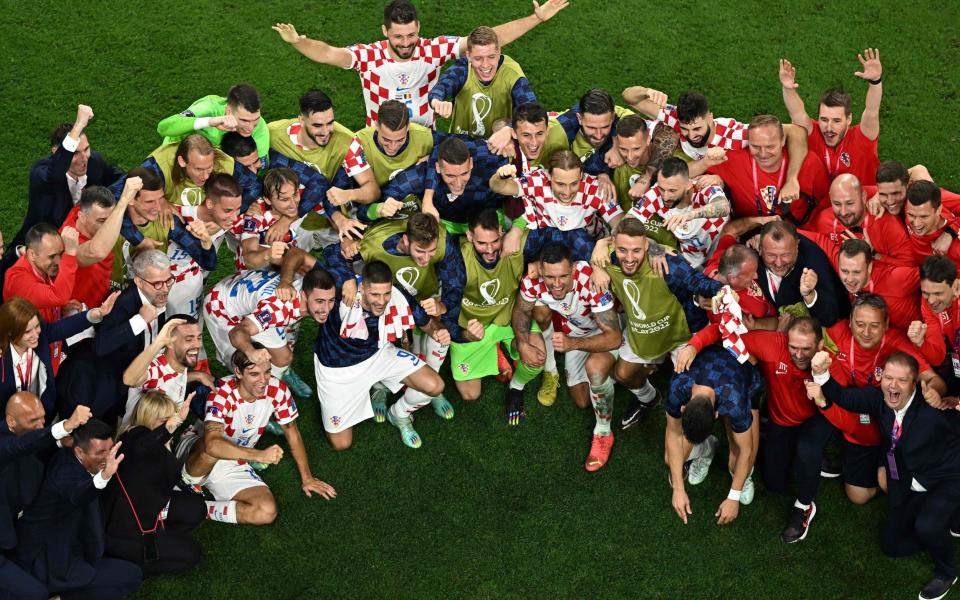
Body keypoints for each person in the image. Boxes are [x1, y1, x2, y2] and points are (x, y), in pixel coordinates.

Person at [272, 0, 568, 127]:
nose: (405, 42)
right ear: (385, 31)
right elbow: (328, 53)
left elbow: (486, 41)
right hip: (381, 136)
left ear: (418, 29)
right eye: (398, 36)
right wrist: (299, 42)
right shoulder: (369, 56)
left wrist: (536, 18)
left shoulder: (433, 49)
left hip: (426, 137)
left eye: (411, 34)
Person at [809, 351, 960, 600]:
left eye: (901, 380)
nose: (893, 385)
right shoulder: (881, 399)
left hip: (947, 478)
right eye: (888, 377)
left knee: (928, 526)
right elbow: (844, 397)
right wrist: (821, 372)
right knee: (892, 546)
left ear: (915, 384)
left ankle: (946, 572)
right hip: (911, 477)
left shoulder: (933, 414)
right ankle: (939, 528)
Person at [684, 316, 833, 544]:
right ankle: (792, 451)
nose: (799, 354)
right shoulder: (773, 344)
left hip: (817, 418)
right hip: (781, 421)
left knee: (807, 451)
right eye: (794, 347)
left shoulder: (831, 361)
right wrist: (693, 346)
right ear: (785, 340)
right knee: (775, 483)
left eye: (807, 348)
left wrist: (823, 386)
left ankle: (804, 506)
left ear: (820, 345)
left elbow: (845, 401)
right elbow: (724, 333)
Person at [315, 214, 457, 419]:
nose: (426, 259)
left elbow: (455, 282)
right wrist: (346, 276)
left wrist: (443, 314)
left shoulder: (440, 238)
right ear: (406, 241)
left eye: (431, 252)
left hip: (417, 302)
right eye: (420, 251)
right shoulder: (372, 249)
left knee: (420, 346)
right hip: (388, 307)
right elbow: (331, 252)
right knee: (381, 336)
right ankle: (380, 389)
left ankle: (403, 409)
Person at [178, 348, 336, 525]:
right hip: (197, 452)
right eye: (254, 374)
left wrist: (307, 478)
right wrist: (258, 455)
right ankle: (185, 484)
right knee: (212, 448)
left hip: (235, 460)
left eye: (267, 372)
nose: (263, 381)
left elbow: (293, 433)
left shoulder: (278, 391)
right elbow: (212, 446)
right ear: (238, 372)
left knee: (266, 512)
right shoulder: (221, 392)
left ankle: (198, 508)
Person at [311, 260, 445, 448]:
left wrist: (439, 332)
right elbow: (311, 256)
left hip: (378, 355)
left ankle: (398, 414)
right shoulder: (342, 290)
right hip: (338, 368)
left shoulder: (399, 297)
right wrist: (285, 281)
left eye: (386, 293)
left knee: (435, 385)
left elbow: (428, 325)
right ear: (362, 287)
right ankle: (371, 392)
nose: (381, 301)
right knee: (341, 444)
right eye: (374, 294)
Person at [513, 242, 621, 469]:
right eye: (550, 277)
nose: (557, 284)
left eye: (563, 276)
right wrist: (522, 343)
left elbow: (613, 337)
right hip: (577, 334)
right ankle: (609, 377)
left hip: (608, 332)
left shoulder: (590, 279)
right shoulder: (533, 281)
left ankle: (603, 432)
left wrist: (573, 344)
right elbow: (522, 310)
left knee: (595, 369)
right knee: (582, 400)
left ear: (572, 269)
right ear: (541, 270)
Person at [14, 419, 143, 600]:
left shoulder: (74, 457)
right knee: (132, 576)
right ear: (79, 452)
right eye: (100, 452)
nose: (108, 457)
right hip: (50, 561)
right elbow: (78, 495)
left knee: (114, 588)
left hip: (72, 540)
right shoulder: (65, 474)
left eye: (110, 449)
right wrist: (104, 477)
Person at [57, 250, 171, 424]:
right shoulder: (123, 303)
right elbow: (100, 346)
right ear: (139, 281)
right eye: (157, 283)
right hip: (92, 391)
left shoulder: (156, 298)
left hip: (118, 386)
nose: (165, 289)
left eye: (168, 281)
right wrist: (139, 320)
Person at [5, 104, 123, 271]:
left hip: (78, 250)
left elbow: (122, 178)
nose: (84, 158)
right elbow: (55, 173)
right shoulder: (41, 173)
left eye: (87, 149)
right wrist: (79, 124)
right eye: (75, 153)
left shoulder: (94, 162)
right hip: (38, 252)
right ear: (55, 152)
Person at [102, 391, 205, 575]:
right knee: (191, 554)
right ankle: (135, 567)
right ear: (148, 417)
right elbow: (144, 446)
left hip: (151, 507)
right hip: (127, 529)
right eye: (164, 419)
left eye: (171, 418)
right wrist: (171, 426)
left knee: (197, 507)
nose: (170, 423)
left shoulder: (158, 441)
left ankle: (164, 539)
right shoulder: (133, 437)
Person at [1, 395, 91, 600]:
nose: (41, 424)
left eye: (43, 418)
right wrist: (65, 426)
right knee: (37, 593)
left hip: (15, 534)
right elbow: (19, 447)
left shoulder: (26, 438)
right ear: (11, 421)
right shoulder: (6, 443)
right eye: (33, 420)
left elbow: (33, 447)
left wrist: (59, 443)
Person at [668, 346, 762, 525]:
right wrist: (678, 489)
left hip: (745, 378)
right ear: (683, 407)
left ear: (718, 414)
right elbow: (673, 435)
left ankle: (744, 477)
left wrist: (733, 497)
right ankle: (707, 449)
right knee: (672, 458)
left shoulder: (734, 401)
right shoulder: (677, 386)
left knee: (741, 461)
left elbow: (746, 449)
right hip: (714, 368)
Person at [696, 114, 830, 227]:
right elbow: (689, 174)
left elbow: (826, 203)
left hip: (799, 234)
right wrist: (717, 178)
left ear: (783, 140)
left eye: (770, 146)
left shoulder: (809, 163)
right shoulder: (734, 160)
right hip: (749, 234)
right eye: (755, 146)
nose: (763, 153)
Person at [0, 295, 115, 422]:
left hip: (45, 415)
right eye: (27, 332)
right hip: (15, 427)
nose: (35, 335)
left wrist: (96, 313)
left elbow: (64, 327)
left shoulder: (41, 334)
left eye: (37, 326)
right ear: (10, 332)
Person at [779, 49, 882, 184]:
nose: (828, 127)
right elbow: (797, 113)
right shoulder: (813, 133)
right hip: (823, 204)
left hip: (864, 202)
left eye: (836, 121)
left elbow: (872, 111)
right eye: (824, 119)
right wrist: (788, 88)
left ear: (849, 119)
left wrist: (875, 81)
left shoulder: (862, 137)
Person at [428, 26, 536, 139]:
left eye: (491, 57)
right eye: (478, 58)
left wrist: (509, 128)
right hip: (461, 146)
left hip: (498, 147)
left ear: (499, 52)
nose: (485, 65)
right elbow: (441, 87)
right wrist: (437, 101)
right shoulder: (462, 69)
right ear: (468, 56)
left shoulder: (512, 74)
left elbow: (530, 110)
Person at [343, 99, 439, 222]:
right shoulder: (357, 145)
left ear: (408, 127)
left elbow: (466, 145)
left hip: (417, 211)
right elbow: (349, 199)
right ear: (376, 125)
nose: (393, 147)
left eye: (400, 140)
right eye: (386, 140)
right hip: (375, 211)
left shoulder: (424, 136)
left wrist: (434, 154)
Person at [626, 157, 730, 268]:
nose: (665, 197)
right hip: (692, 261)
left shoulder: (703, 187)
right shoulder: (655, 194)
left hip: (723, 254)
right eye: (661, 189)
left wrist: (690, 215)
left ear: (688, 185)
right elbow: (625, 224)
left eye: (672, 191)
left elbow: (723, 207)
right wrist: (652, 246)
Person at [2, 224, 79, 371]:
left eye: (60, 254)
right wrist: (70, 254)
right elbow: (58, 295)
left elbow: (50, 297)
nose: (58, 262)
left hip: (48, 349)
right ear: (31, 254)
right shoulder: (17, 279)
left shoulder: (41, 267)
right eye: (51, 257)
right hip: (29, 366)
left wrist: (60, 308)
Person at [392, 136, 508, 233]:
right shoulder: (418, 177)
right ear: (437, 167)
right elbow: (389, 192)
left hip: (488, 220)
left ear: (471, 162)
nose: (458, 184)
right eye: (450, 176)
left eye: (464, 173)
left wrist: (509, 130)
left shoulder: (486, 154)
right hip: (444, 225)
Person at [117, 134, 261, 211]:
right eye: (198, 169)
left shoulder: (222, 162)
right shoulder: (158, 166)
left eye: (209, 168)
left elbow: (254, 185)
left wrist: (231, 212)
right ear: (182, 161)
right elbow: (119, 194)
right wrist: (160, 202)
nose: (206, 176)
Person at [60, 179, 139, 309]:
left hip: (103, 299)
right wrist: (123, 202)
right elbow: (95, 252)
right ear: (82, 217)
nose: (108, 226)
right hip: (81, 312)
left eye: (111, 218)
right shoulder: (68, 241)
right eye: (102, 221)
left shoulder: (81, 211)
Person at [806, 173, 911, 263]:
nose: (843, 212)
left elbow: (909, 264)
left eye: (850, 203)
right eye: (837, 204)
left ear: (863, 197)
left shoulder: (888, 225)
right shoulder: (823, 220)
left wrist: (874, 255)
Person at [122, 316, 208, 426]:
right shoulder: (154, 368)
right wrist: (158, 342)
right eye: (189, 339)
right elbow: (129, 380)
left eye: (199, 338)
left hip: (162, 437)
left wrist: (198, 375)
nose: (197, 345)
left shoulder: (178, 359)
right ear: (169, 343)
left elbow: (172, 376)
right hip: (139, 441)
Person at [755, 220, 843, 326]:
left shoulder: (813, 261)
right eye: (771, 255)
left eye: (785, 255)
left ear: (797, 247)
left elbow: (829, 318)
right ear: (760, 249)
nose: (778, 263)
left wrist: (809, 294)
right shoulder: (750, 255)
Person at [157, 83, 270, 163]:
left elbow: (260, 166)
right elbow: (163, 128)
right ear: (228, 111)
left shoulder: (259, 126)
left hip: (208, 162)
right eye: (244, 120)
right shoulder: (208, 108)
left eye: (255, 119)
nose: (250, 128)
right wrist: (210, 122)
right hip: (175, 152)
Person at [910, 256, 960, 396]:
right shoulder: (927, 304)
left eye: (938, 293)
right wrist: (921, 343)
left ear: (954, 285)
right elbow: (937, 357)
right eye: (926, 293)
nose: (931, 300)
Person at [905, 181, 960, 267]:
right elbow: (918, 169)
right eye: (911, 215)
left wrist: (951, 231)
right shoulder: (912, 202)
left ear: (938, 210)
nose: (916, 224)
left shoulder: (954, 249)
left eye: (924, 217)